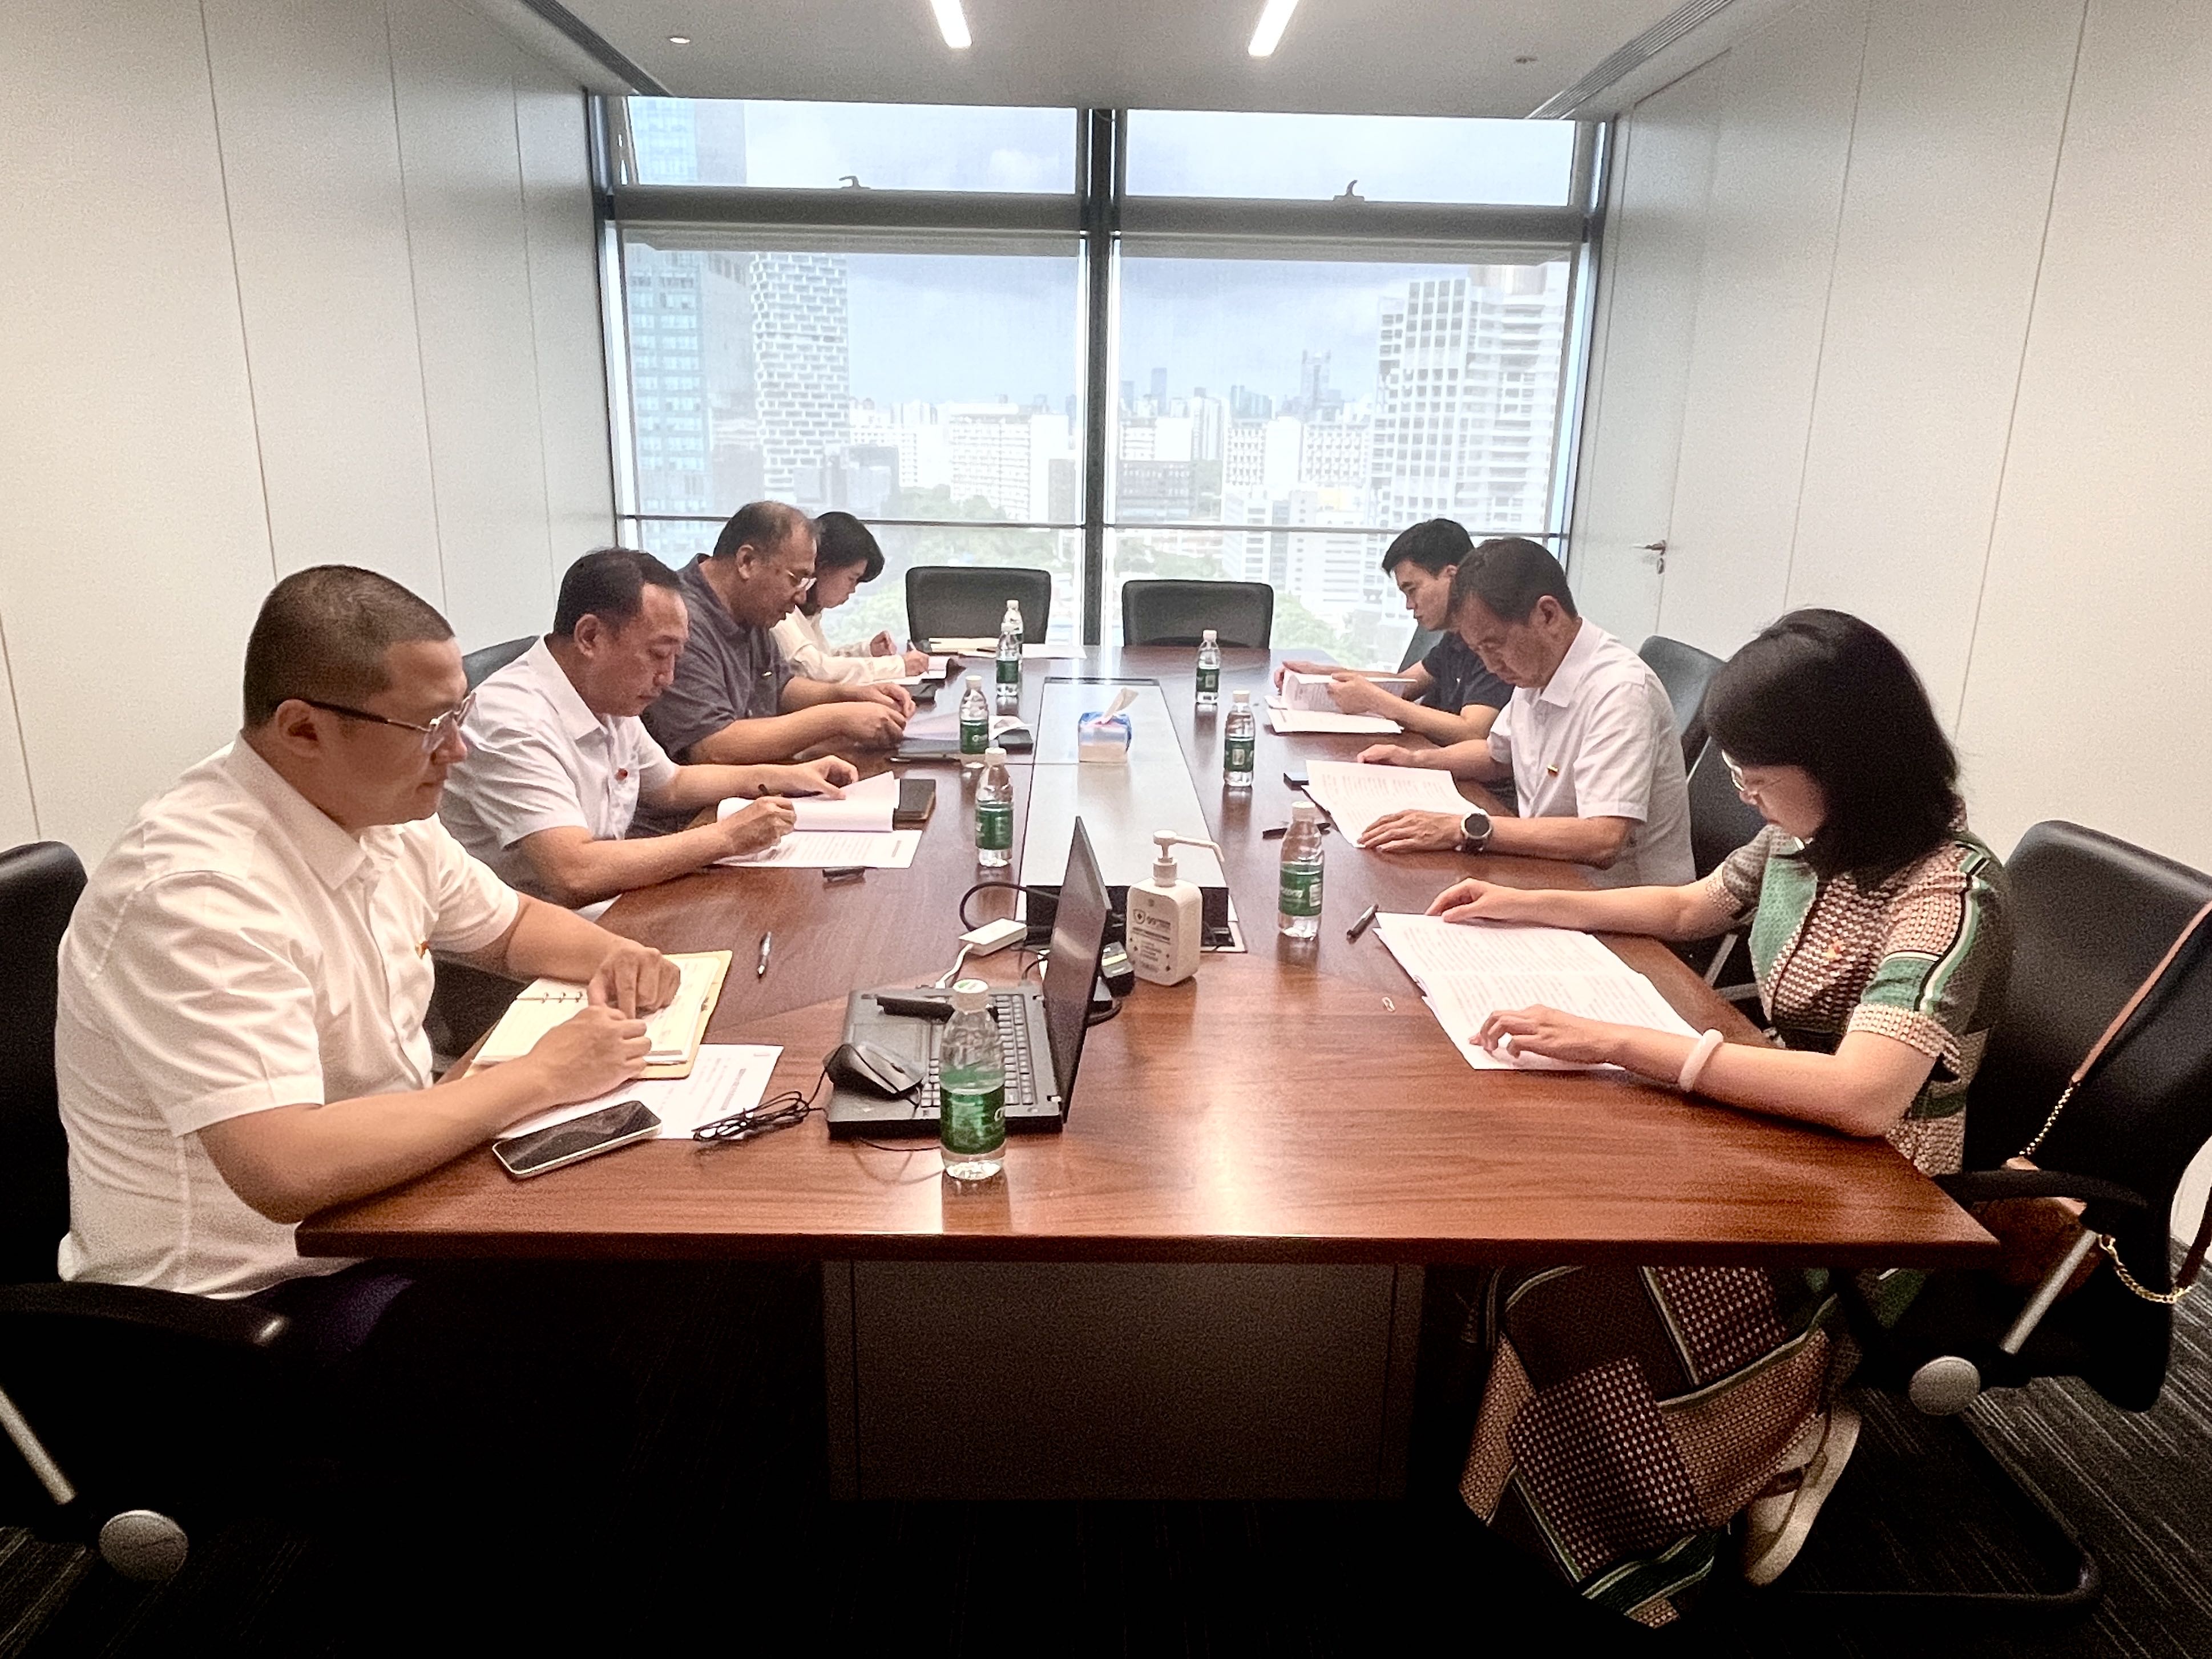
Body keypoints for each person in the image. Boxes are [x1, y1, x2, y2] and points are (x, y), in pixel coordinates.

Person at [1427, 609, 2012, 1625]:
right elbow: (1693, 907)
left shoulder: (1948, 894)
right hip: (1774, 1114)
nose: (1739, 789)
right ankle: (1527, 1481)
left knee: (1570, 1288)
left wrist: (1622, 1042)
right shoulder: (1808, 837)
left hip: (1878, 1189)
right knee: (1536, 1202)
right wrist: (1525, 902)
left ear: (1845, 764)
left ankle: (1734, 1468)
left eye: (1756, 771)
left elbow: (1864, 1094)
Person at [54, 565, 680, 1304]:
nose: (457, 749)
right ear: (303, 729)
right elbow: (285, 1168)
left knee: (660, 1252)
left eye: (459, 713)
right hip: (256, 1291)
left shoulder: (379, 806)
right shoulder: (197, 889)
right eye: (429, 726)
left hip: (391, 1208)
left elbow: (512, 928)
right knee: (639, 1290)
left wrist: (619, 954)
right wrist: (542, 1074)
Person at [441, 547, 859, 909]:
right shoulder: (511, 720)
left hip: (610, 905)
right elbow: (575, 872)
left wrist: (788, 777)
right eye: (659, 655)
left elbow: (672, 784)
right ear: (590, 637)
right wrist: (728, 837)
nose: (669, 677)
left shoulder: (603, 692)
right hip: (537, 939)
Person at [1358, 537, 1694, 888]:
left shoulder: (1620, 690)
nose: (1491, 665)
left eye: (1495, 646)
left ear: (1547, 615)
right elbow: (1496, 755)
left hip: (1617, 901)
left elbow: (1603, 839)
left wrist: (1463, 828)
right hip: (1548, 871)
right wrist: (1415, 761)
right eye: (1479, 651)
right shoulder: (1537, 667)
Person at [635, 503, 911, 835]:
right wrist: (838, 718)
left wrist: (851, 695)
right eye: (796, 578)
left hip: (748, 795)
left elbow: (781, 688)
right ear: (747, 562)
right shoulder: (682, 619)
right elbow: (715, 747)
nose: (801, 598)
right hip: (687, 821)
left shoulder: (750, 607)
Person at [1273, 518, 1511, 745]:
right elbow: (1404, 684)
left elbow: (1473, 731)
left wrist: (1375, 700)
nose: (1409, 605)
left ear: (1452, 576)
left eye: (1412, 590)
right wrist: (1322, 673)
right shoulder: (1455, 639)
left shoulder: (1491, 643)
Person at [772, 510, 929, 683]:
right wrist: (897, 666)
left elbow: (824, 658)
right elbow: (815, 670)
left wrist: (866, 651)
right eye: (852, 579)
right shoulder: (779, 610)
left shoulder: (809, 611)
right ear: (823, 566)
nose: (853, 590)